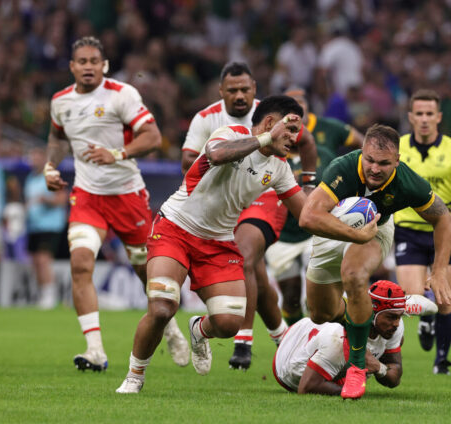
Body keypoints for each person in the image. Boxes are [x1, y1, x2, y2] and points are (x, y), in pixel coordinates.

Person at [116, 95, 306, 394]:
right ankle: (134, 377)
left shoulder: (279, 168)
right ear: (270, 123)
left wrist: (346, 221)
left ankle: (198, 329)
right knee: (163, 307)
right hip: (175, 229)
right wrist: (267, 138)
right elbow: (217, 156)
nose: (296, 139)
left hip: (218, 243)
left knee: (230, 324)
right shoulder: (230, 133)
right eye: (292, 130)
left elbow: (305, 214)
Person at [45, 36, 188, 372]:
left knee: (145, 272)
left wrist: (117, 153)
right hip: (87, 197)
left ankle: (171, 329)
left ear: (104, 65)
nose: (89, 67)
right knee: (80, 264)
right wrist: (50, 166)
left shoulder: (122, 94)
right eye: (82, 61)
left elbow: (153, 137)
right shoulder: (60, 102)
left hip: (127, 195)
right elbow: (56, 137)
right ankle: (95, 350)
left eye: (95, 60)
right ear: (72, 66)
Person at [298, 124, 451, 399]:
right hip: (330, 231)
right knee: (320, 315)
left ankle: (357, 369)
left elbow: (442, 217)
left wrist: (439, 269)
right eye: (369, 160)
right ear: (362, 153)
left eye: (384, 163)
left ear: (397, 161)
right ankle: (372, 311)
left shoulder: (408, 182)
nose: (374, 168)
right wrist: (353, 234)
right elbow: (308, 218)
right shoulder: (343, 168)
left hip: (376, 230)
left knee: (355, 275)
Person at [181, 63, 317, 371]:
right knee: (254, 267)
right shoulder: (206, 118)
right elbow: (188, 159)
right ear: (221, 92)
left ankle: (243, 341)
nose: (240, 95)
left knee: (244, 255)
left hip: (265, 190)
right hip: (224, 194)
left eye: (245, 89)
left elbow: (306, 142)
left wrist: (307, 182)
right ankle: (283, 336)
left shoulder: (272, 115)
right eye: (233, 90)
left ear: (255, 89)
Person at [393, 89, 451, 375]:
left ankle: (442, 359)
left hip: (444, 231)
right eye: (418, 113)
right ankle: (424, 320)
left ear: (439, 117)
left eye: (429, 114)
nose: (424, 119)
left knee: (444, 299)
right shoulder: (397, 148)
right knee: (413, 300)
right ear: (410, 117)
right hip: (408, 230)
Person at [265, 87, 363, 326]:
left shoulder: (324, 153)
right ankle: (295, 340)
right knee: (289, 298)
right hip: (282, 236)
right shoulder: (269, 155)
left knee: (319, 295)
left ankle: (333, 339)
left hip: (317, 232)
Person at [273, 280, 405, 395]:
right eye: (391, 317)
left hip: (315, 336)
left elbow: (395, 377)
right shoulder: (338, 338)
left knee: (397, 340)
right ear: (372, 312)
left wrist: (379, 368)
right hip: (288, 365)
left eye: (399, 316)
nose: (396, 324)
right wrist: (345, 389)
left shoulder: (394, 325)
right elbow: (307, 387)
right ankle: (276, 332)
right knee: (343, 359)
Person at [24, 148, 68, 309]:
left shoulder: (51, 176)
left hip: (50, 226)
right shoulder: (30, 178)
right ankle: (43, 293)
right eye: (31, 156)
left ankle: (50, 294)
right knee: (35, 261)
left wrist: (47, 200)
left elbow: (62, 198)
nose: (33, 159)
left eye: (36, 156)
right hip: (34, 226)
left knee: (43, 260)